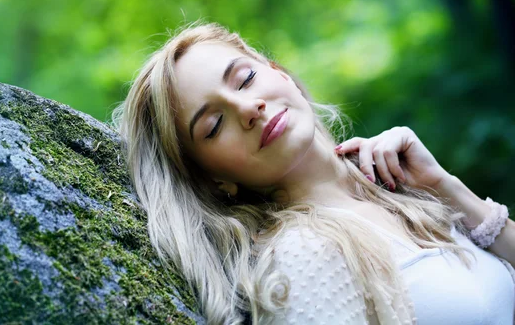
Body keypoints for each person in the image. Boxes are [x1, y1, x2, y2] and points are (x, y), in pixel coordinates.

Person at [112, 22, 515, 324]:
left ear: (279, 72)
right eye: (214, 125)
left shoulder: (399, 187)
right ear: (213, 180)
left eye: (245, 79)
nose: (248, 109)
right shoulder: (300, 259)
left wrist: (447, 188)